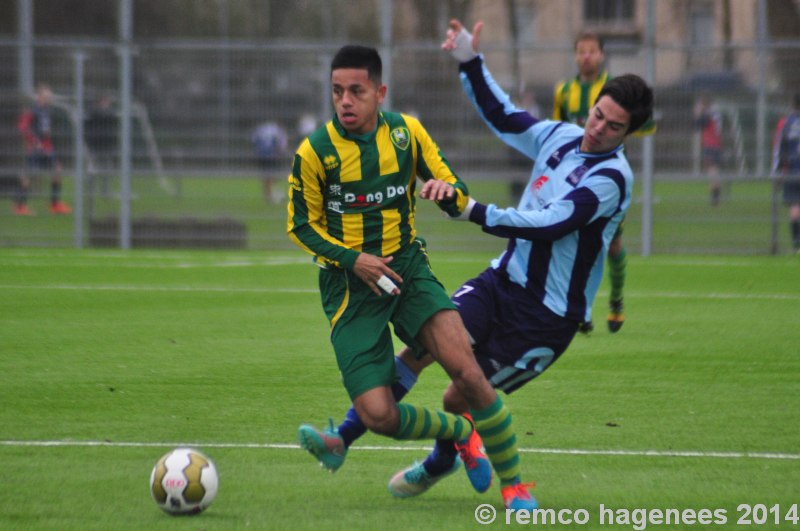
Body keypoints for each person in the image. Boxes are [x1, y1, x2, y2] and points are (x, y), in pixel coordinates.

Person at [298, 22, 654, 509]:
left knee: (458, 395)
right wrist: (470, 61)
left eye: (612, 126)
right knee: (417, 355)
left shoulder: (614, 178)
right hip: (501, 280)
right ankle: (342, 438)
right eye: (597, 115)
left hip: (545, 315)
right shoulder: (561, 136)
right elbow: (505, 116)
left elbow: (552, 222)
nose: (597, 128)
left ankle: (480, 474)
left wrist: (473, 211)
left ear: (628, 132)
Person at [287, 44, 537, 512]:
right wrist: (352, 259)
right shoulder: (314, 152)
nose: (345, 101)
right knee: (378, 415)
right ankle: (460, 433)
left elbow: (455, 188)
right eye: (337, 91)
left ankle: (516, 487)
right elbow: (301, 226)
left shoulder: (407, 134)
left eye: (356, 91)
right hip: (349, 290)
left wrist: (447, 193)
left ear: (379, 92)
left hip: (407, 269)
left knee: (467, 371)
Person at [553, 31, 653, 334]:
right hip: (573, 180)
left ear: (601, 55)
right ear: (575, 55)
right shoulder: (564, 91)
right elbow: (556, 129)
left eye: (591, 51)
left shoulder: (616, 91)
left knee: (611, 245)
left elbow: (645, 125)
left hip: (605, 181)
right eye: (581, 51)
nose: (586, 56)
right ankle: (580, 309)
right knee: (575, 244)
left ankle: (617, 299)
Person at [15, 83, 71, 216]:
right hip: (35, 149)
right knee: (28, 176)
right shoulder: (32, 111)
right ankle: (20, 207)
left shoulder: (47, 110)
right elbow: (22, 127)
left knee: (57, 170)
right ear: (39, 97)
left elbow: (45, 131)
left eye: (50, 96)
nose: (49, 98)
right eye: (46, 96)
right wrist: (34, 142)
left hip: (47, 149)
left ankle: (55, 204)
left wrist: (48, 144)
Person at [771, 93, 800, 252]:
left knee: (795, 207)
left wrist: (778, 171)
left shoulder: (787, 124)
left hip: (792, 171)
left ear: (793, 105)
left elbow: (780, 149)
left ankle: (797, 244)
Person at [84, 95, 118, 199]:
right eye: (104, 102)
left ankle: (105, 192)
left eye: (107, 102)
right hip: (94, 145)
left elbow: (111, 115)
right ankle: (90, 191)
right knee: (92, 169)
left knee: (107, 170)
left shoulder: (110, 113)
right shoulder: (93, 112)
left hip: (107, 146)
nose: (106, 104)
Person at [693, 95, 723, 206]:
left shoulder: (708, 114)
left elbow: (697, 126)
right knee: (713, 170)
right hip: (715, 144)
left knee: (712, 171)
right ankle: (716, 196)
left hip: (711, 145)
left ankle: (715, 197)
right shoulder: (714, 113)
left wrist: (697, 114)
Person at [252, 120, 289, 203]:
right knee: (271, 175)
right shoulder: (278, 130)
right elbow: (282, 143)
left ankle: (268, 194)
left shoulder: (261, 129)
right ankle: (270, 195)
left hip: (261, 155)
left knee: (267, 176)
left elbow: (254, 140)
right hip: (272, 155)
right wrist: (281, 153)